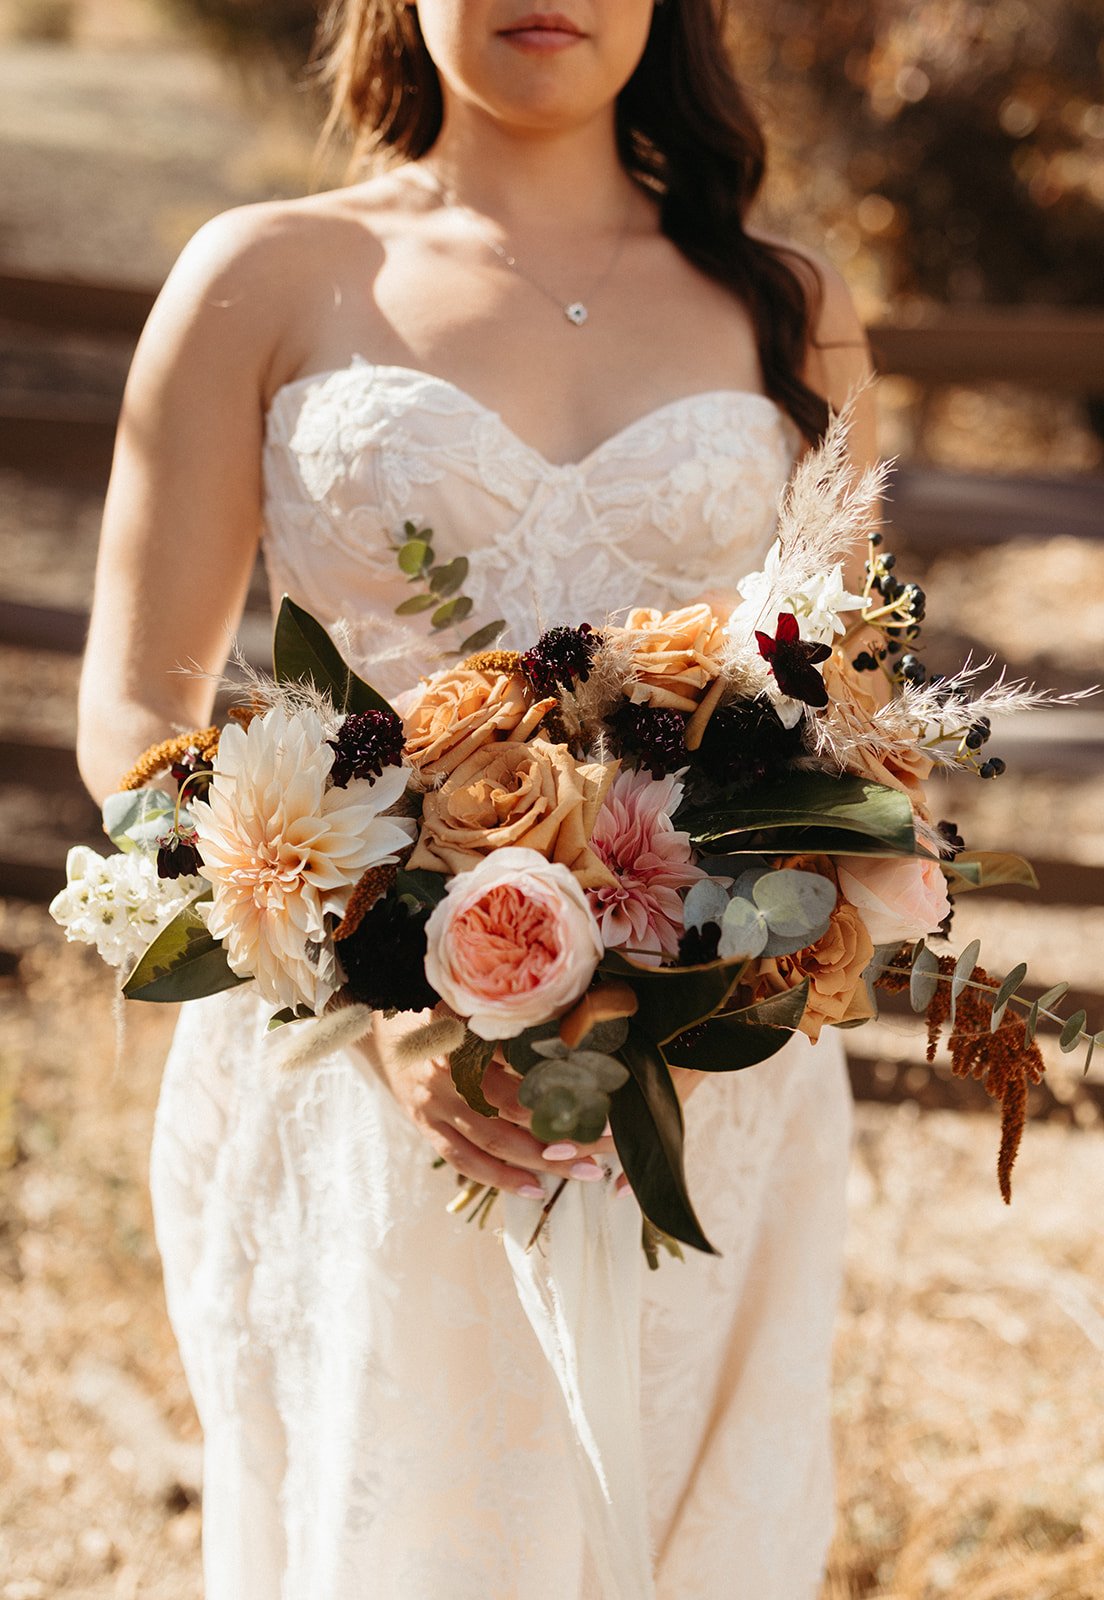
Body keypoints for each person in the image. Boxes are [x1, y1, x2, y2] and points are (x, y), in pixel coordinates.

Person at [77, 2, 877, 1595]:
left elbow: (833, 716)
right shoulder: (264, 272)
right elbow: (136, 712)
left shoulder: (787, 305)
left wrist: (708, 989)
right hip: (353, 1075)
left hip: (708, 1093)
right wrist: (376, 986)